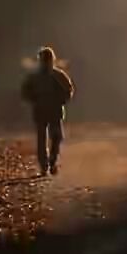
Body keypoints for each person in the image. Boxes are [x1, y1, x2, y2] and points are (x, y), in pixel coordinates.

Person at [21, 46, 75, 175]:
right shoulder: (36, 77)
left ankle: (50, 162)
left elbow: (69, 90)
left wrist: (61, 100)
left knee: (54, 137)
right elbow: (25, 92)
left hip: (51, 110)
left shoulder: (57, 75)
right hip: (43, 110)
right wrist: (34, 99)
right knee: (45, 138)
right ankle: (46, 165)